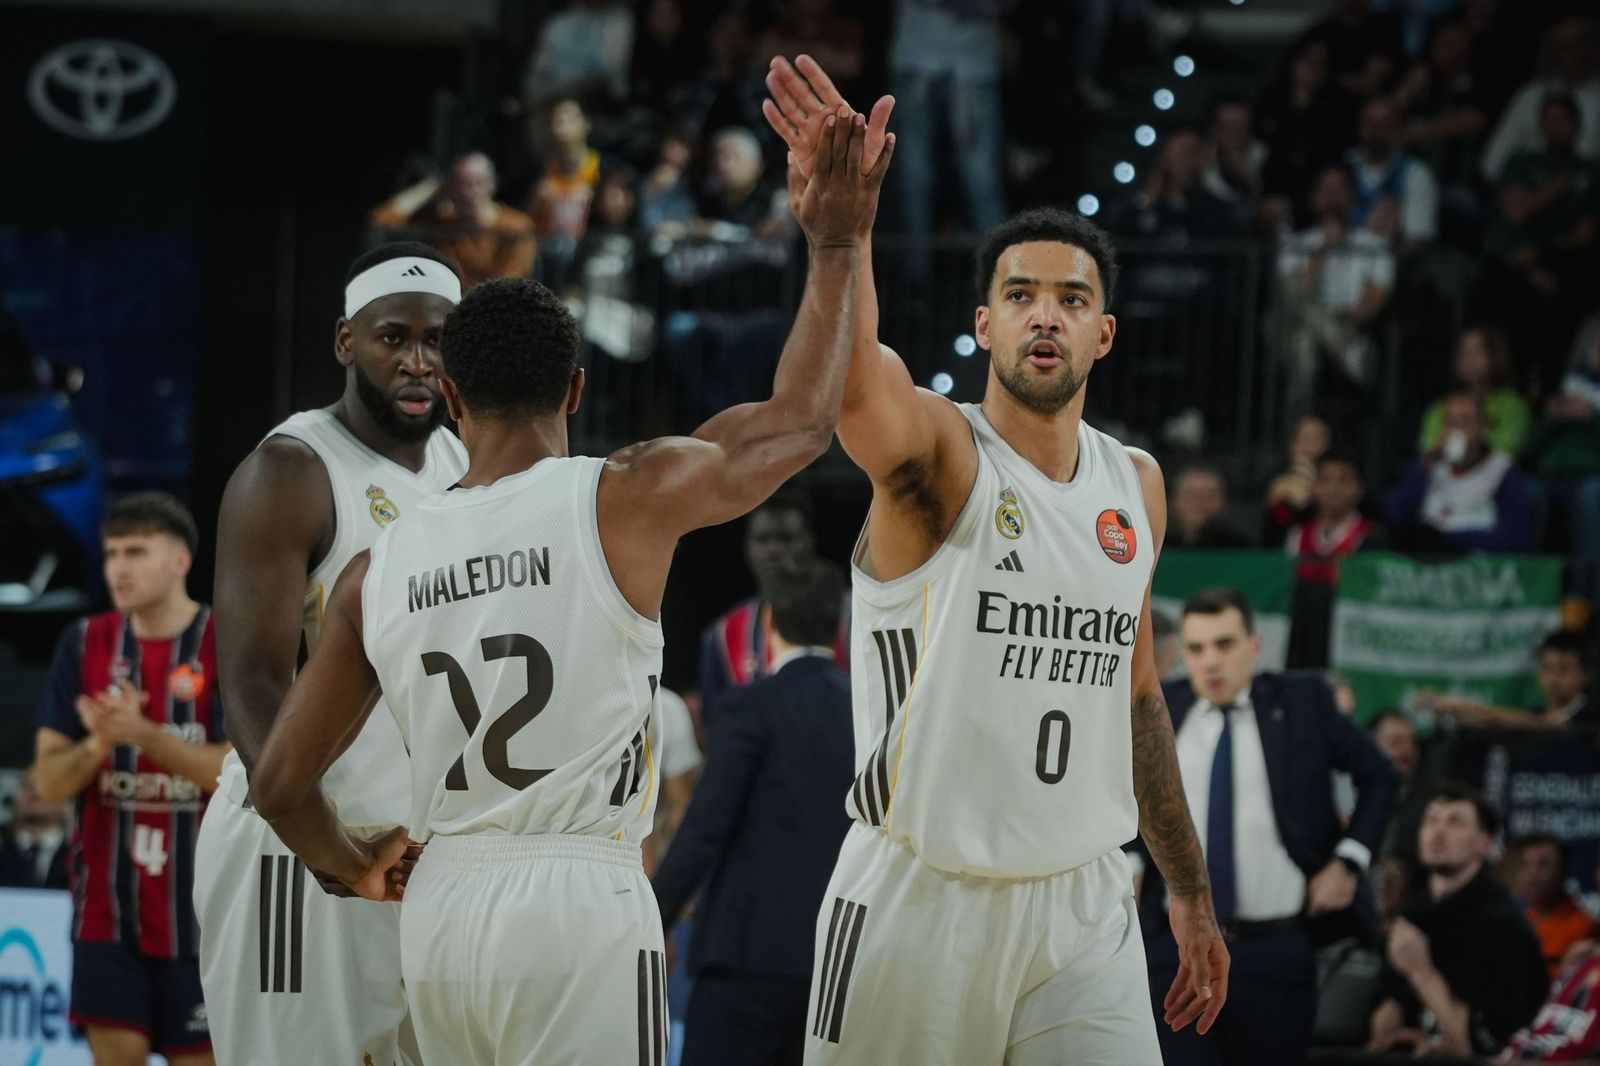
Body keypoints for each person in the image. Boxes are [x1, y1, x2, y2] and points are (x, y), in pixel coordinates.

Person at [247, 112, 893, 1063]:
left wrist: (353, 865)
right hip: (579, 899)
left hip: (444, 902)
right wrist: (836, 241)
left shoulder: (371, 571)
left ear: (453, 402)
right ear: (578, 391)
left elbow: (278, 783)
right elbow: (800, 423)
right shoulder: (623, 496)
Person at [764, 56, 1228, 1063]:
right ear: (985, 325)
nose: (1044, 314)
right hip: (919, 896)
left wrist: (1186, 886)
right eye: (1020, 295)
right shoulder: (941, 452)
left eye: (1069, 299)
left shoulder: (1135, 485)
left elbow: (1138, 692)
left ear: (1103, 334)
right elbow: (852, 385)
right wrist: (840, 240)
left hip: (1083, 902)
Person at [192, 242, 470, 1064]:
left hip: (409, 852)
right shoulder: (290, 470)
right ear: (347, 341)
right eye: (395, 338)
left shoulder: (458, 461)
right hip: (303, 848)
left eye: (438, 340)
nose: (419, 362)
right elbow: (249, 684)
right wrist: (332, 853)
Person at [1137, 588, 1396, 1065]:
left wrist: (1349, 861)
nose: (1211, 661)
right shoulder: (1161, 710)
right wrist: (1133, 861)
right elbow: (1132, 799)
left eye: (1225, 644)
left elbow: (1380, 776)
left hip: (1275, 952)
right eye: (1196, 649)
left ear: (1254, 646)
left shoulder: (1302, 702)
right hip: (1176, 953)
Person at [33, 492, 230, 1066]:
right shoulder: (85, 643)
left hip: (201, 918)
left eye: (136, 551)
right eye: (112, 553)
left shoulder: (225, 641)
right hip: (105, 918)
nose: (118, 567)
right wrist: (101, 741)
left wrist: (145, 735)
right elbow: (49, 783)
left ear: (180, 560)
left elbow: (241, 777)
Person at [654, 561, 856, 1066]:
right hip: (838, 965)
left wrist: (653, 915)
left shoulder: (749, 708)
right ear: (839, 628)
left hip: (745, 957)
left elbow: (705, 827)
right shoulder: (869, 716)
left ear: (767, 626)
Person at [1367, 783, 1546, 1057]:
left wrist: (1422, 973)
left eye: (1455, 823)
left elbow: (1484, 1046)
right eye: (1431, 820)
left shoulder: (1504, 926)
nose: (1438, 832)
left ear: (1484, 844)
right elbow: (1390, 1000)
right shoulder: (1412, 912)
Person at [698, 488, 847, 729]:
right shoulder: (723, 635)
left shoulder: (855, 614)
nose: (773, 551)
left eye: (786, 538)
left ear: (810, 542)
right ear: (747, 547)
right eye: (763, 540)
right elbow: (718, 726)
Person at [1385, 391, 1536, 553]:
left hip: (1476, 563)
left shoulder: (1503, 470)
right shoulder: (1429, 463)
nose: (1457, 430)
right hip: (1427, 560)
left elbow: (1515, 536)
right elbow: (1394, 514)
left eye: (1465, 422)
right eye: (1451, 423)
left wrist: (1449, 540)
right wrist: (1424, 468)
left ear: (1483, 427)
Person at [370, 152, 537, 289]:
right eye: (461, 184)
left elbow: (510, 283)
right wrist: (432, 186)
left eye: (477, 183)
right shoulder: (445, 222)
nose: (468, 192)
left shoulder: (517, 226)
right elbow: (382, 220)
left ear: (492, 185)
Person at [1285, 450, 1384, 668]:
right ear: (1314, 487)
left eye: (1344, 481)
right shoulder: (1297, 536)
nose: (1333, 489)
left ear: (1359, 489)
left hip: (1347, 646)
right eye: (1326, 480)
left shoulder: (1370, 538)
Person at [1423, 630, 1595, 731]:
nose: (1554, 679)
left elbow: (1546, 727)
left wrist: (1460, 705)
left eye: (1563, 670)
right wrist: (1433, 703)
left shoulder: (1591, 718)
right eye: (1547, 669)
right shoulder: (1537, 711)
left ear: (1586, 673)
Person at [1416, 325, 1531, 456]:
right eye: (1463, 351)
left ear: (1496, 355)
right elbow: (1427, 454)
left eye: (1477, 351)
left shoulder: (1513, 406)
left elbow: (1507, 453)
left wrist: (1473, 441)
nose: (1468, 358)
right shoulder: (1440, 408)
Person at [1511, 834, 1594, 977]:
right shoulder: (1522, 918)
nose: (1532, 873)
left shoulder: (1581, 927)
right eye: (1525, 864)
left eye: (1543, 864)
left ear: (1562, 873)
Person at [0, 771, 70, 889]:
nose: (36, 792)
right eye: (28, 787)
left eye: (46, 786)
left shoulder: (81, 862)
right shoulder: (2, 853)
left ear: (66, 803)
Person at [1167, 466, 1251, 549]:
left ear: (1223, 503)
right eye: (1191, 495)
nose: (1200, 503)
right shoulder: (1158, 546)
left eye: (1210, 496)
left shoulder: (1239, 549)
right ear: (1173, 502)